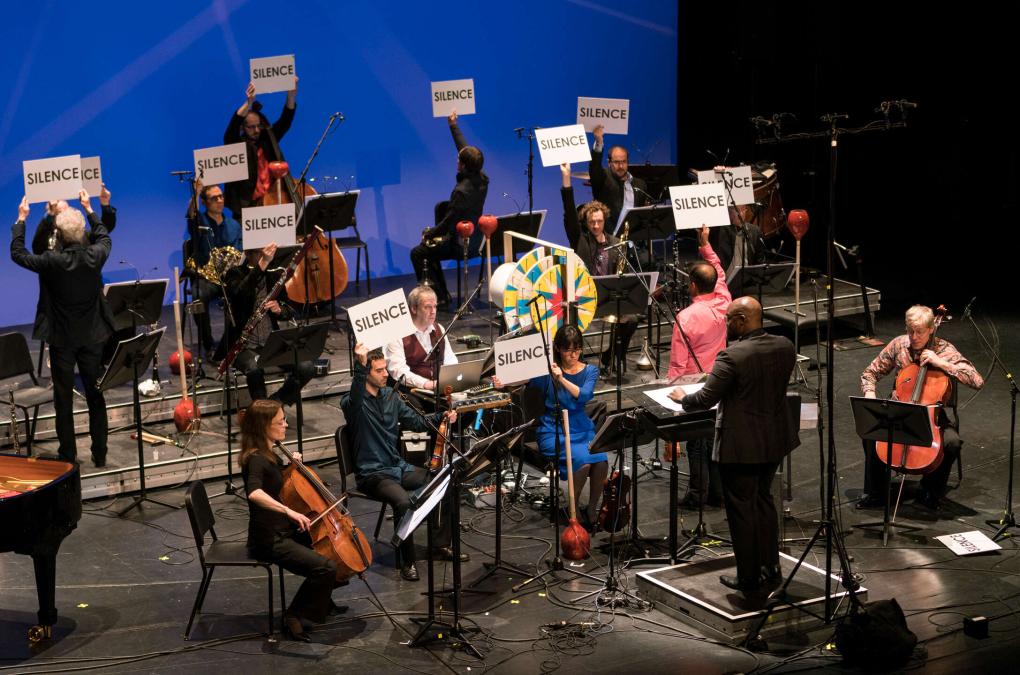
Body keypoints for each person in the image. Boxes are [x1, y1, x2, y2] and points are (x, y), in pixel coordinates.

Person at [674, 297, 798, 593]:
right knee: (764, 501)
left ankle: (748, 577)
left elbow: (705, 400)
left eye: (728, 319)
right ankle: (771, 566)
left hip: (742, 446)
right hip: (774, 440)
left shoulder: (733, 355)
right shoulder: (785, 346)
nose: (725, 324)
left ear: (741, 320)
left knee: (742, 510)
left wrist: (682, 398)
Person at [342, 342, 464, 582]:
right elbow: (356, 393)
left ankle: (439, 544)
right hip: (373, 473)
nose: (386, 374)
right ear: (366, 374)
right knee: (403, 502)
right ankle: (406, 561)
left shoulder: (390, 396)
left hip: (397, 466)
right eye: (379, 370)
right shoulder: (352, 403)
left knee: (444, 482)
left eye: (385, 368)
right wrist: (360, 364)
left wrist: (442, 416)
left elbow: (417, 423)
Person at [11, 193, 114, 467]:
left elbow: (18, 253)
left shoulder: (51, 262)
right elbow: (105, 236)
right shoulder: (95, 255)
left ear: (60, 234)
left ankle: (68, 455)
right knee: (95, 394)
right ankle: (100, 453)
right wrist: (90, 209)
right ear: (81, 233)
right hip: (92, 337)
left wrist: (22, 218)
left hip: (62, 339)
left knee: (63, 399)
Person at [857, 304, 984, 511]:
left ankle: (929, 490)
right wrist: (870, 394)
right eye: (910, 331)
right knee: (871, 430)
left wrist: (942, 363)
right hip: (899, 409)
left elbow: (977, 381)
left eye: (919, 332)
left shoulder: (945, 350)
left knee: (952, 442)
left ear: (931, 329)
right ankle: (876, 492)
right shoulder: (899, 344)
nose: (913, 337)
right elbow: (869, 373)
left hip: (930, 414)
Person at [239, 398, 346, 642]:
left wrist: (291, 467)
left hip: (282, 529)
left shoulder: (270, 454)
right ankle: (294, 615)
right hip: (269, 539)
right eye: (280, 421)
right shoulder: (255, 459)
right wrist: (290, 512)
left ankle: (322, 600)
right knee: (326, 567)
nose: (286, 424)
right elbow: (254, 492)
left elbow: (276, 483)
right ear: (264, 426)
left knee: (333, 553)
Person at [495, 325, 607, 526]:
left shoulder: (591, 371)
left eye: (577, 350)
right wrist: (504, 382)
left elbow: (584, 395)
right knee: (584, 461)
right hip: (552, 428)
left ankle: (591, 508)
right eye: (567, 350)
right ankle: (572, 510)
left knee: (602, 460)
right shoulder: (548, 371)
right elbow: (522, 381)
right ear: (558, 349)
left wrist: (561, 379)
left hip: (580, 426)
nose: (573, 355)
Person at [668, 224, 731, 508]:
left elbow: (677, 365)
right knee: (715, 436)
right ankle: (718, 493)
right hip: (720, 378)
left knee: (696, 442)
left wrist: (672, 409)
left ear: (692, 285)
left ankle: (697, 495)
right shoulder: (724, 301)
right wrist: (705, 245)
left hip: (695, 383)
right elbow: (719, 273)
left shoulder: (686, 317)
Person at [559, 162, 638, 372]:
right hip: (583, 299)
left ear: (604, 221)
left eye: (599, 221)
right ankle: (580, 364)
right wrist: (566, 180)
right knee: (571, 323)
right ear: (586, 222)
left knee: (631, 320)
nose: (595, 225)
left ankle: (611, 355)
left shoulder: (614, 241)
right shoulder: (580, 240)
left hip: (607, 298)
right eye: (592, 222)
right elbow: (568, 212)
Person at [409, 110, 489, 306]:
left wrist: (429, 233)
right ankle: (442, 293)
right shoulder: (482, 178)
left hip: (461, 244)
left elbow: (449, 223)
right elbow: (465, 150)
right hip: (475, 238)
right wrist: (453, 125)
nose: (456, 160)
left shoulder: (461, 191)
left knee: (419, 252)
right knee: (430, 249)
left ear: (463, 166)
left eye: (459, 160)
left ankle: (438, 297)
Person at [31, 187, 119, 361]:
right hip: (58, 310)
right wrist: (49, 214)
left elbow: (104, 230)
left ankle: (99, 366)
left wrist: (104, 204)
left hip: (86, 307)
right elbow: (36, 247)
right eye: (58, 213)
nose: (64, 216)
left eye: (66, 211)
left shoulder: (82, 235)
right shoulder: (47, 239)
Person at [221, 243, 315, 404]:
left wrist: (280, 310)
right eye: (261, 253)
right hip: (243, 347)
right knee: (254, 369)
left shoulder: (273, 276)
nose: (267, 256)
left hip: (272, 344)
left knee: (306, 367)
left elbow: (289, 310)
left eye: (268, 253)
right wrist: (263, 264)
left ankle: (275, 404)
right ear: (248, 254)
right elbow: (241, 294)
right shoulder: (234, 274)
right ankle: (263, 415)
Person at [223, 80, 298, 219]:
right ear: (242, 128)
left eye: (258, 126)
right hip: (245, 208)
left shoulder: (267, 138)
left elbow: (285, 121)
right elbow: (231, 129)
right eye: (251, 127)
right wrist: (249, 102)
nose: (256, 130)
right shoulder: (236, 144)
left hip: (272, 202)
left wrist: (291, 96)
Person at [186, 179, 242, 356]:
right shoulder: (199, 220)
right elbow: (190, 213)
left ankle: (234, 340)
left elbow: (240, 252)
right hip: (207, 277)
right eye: (214, 198)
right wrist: (196, 192)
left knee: (245, 291)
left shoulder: (234, 224)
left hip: (229, 277)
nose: (219, 200)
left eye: (221, 196)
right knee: (198, 297)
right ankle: (209, 344)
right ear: (204, 202)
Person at [383, 285, 458, 391]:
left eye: (435, 306)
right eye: (427, 307)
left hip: (439, 388)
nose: (433, 311)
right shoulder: (397, 335)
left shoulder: (439, 328)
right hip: (412, 391)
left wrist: (451, 377)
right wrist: (425, 384)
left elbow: (450, 358)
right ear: (414, 308)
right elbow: (398, 371)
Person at [588, 124, 650, 230]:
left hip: (631, 239)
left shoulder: (640, 185)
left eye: (623, 162)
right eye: (616, 162)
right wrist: (599, 142)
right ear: (609, 163)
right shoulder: (603, 178)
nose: (621, 166)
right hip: (607, 240)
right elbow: (595, 167)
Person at [709, 204, 766, 282]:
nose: (741, 214)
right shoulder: (720, 231)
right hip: (726, 281)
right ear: (728, 212)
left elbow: (760, 260)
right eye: (736, 210)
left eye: (743, 209)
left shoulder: (755, 231)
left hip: (749, 281)